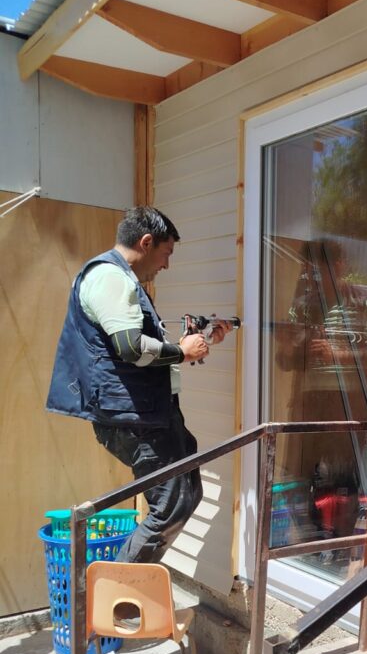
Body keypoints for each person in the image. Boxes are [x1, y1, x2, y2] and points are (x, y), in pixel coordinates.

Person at [46, 205, 233, 563]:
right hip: (134, 418)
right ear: (146, 242)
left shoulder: (121, 279)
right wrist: (181, 352)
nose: (167, 265)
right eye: (166, 253)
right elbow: (131, 348)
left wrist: (191, 344)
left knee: (186, 494)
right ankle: (114, 590)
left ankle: (120, 586)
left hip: (147, 412)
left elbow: (133, 348)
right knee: (171, 505)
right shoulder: (110, 277)